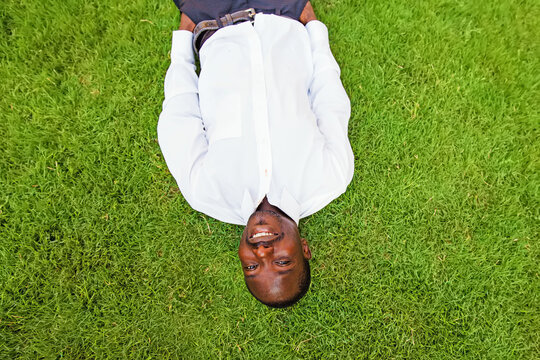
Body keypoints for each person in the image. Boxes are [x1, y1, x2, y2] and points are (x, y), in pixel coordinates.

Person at [157, 0, 354, 308]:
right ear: (304, 249)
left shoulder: (206, 192)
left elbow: (179, 110)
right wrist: (311, 20)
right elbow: (329, 97)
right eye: (282, 262)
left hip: (210, 19)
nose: (262, 253)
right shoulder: (331, 177)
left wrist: (186, 30)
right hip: (284, 12)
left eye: (251, 267)